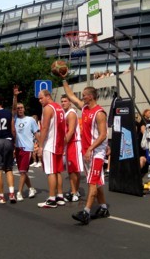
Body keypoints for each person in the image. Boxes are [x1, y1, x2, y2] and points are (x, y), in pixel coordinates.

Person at [61, 78, 110, 225]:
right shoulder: (85, 108)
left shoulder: (99, 113)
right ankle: (103, 207)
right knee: (96, 182)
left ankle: (86, 212)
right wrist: (63, 79)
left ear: (91, 96)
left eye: (84, 95)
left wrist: (90, 148)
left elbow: (103, 135)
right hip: (88, 151)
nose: (82, 97)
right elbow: (71, 96)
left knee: (92, 183)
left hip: (96, 153)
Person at [36, 89, 66, 208]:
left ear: (48, 96)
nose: (39, 101)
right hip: (58, 143)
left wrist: (41, 146)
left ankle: (52, 199)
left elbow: (44, 128)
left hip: (50, 144)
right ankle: (59, 196)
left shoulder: (48, 108)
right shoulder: (59, 107)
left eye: (41, 98)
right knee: (57, 171)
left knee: (50, 172)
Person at [12, 86, 38, 201]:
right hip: (17, 148)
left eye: (21, 108)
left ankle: (19, 192)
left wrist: (40, 146)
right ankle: (31, 188)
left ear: (24, 109)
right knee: (23, 171)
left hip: (27, 148)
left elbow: (37, 133)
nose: (20, 109)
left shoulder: (30, 120)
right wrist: (15, 96)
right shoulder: (14, 119)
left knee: (22, 172)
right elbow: (13, 108)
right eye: (18, 108)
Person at [61, 94, 84, 202]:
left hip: (73, 143)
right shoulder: (66, 114)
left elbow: (70, 131)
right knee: (71, 170)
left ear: (70, 102)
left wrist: (62, 145)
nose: (63, 103)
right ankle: (74, 191)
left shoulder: (71, 114)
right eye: (62, 101)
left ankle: (74, 192)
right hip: (70, 144)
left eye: (65, 101)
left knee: (74, 170)